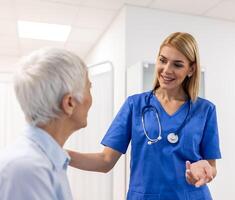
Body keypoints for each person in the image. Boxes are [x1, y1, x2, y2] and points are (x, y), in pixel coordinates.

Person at [68, 32, 221, 200]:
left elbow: (211, 166)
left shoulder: (205, 110)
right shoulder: (135, 105)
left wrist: (205, 170)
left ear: (191, 69)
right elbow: (105, 161)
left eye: (177, 65)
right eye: (163, 60)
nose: (167, 70)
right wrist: (59, 154)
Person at [0, 48, 92, 200]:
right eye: (89, 88)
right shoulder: (27, 169)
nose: (91, 100)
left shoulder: (46, 161)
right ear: (69, 103)